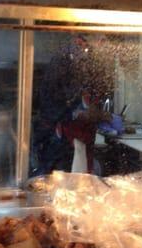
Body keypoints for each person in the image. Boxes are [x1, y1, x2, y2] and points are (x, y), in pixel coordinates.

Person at [32, 34, 121, 175]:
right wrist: (106, 117)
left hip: (79, 138)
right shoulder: (70, 58)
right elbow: (78, 109)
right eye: (102, 40)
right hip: (63, 140)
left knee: (79, 183)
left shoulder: (86, 58)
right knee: (60, 185)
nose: (104, 44)